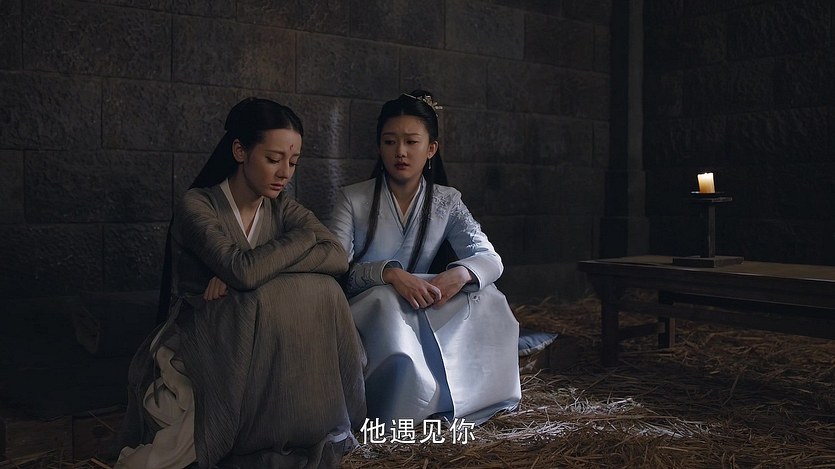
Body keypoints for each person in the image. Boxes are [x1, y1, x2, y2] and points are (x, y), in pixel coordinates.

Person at [117, 97, 366, 469]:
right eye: (273, 159)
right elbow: (243, 271)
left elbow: (337, 256)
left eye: (293, 162)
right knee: (266, 296)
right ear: (240, 151)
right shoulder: (197, 205)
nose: (285, 173)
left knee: (321, 292)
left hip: (267, 333)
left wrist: (258, 275)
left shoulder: (282, 207)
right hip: (201, 332)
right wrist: (298, 242)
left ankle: (300, 425)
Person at [326, 90, 521, 430]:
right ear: (379, 147)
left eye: (411, 142)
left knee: (489, 296)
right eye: (390, 142)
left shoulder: (447, 201)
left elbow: (489, 258)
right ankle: (397, 408)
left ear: (431, 149)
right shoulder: (353, 198)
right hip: (370, 304)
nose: (400, 152)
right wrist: (389, 275)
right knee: (386, 303)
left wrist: (461, 274)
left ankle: (469, 399)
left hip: (422, 300)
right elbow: (335, 267)